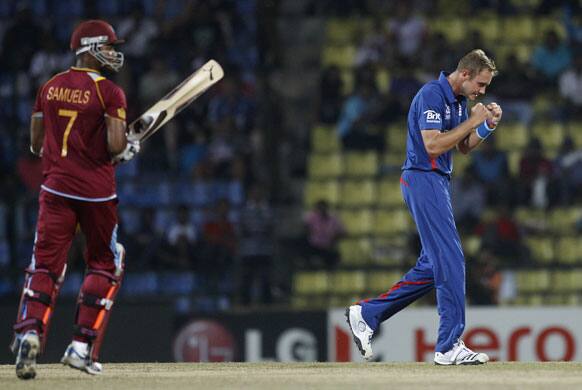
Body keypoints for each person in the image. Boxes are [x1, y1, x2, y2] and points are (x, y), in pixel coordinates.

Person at [346, 49, 503, 365]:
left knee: (433, 266)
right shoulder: (431, 95)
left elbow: (462, 147)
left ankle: (367, 313)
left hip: (438, 181)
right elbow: (432, 145)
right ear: (465, 74)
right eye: (481, 84)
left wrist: (485, 127)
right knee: (452, 258)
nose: (482, 92)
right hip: (422, 177)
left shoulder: (458, 102)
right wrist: (473, 119)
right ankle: (448, 345)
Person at [10, 20, 139, 379]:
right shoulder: (110, 92)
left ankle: (29, 331)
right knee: (105, 263)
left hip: (54, 190)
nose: (114, 52)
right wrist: (126, 149)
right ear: (91, 47)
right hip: (97, 193)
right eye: (109, 45)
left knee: (46, 266)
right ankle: (80, 347)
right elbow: (114, 147)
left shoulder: (48, 87)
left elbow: (36, 145)